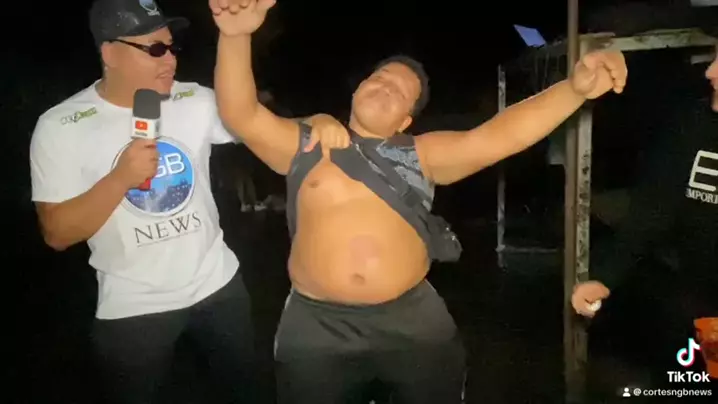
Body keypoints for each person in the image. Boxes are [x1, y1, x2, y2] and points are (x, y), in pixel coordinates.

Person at [210, 0, 627, 403]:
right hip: (316, 325)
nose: (385, 87)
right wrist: (235, 36)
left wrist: (573, 90)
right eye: (379, 79)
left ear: (405, 122)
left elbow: (499, 136)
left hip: (412, 320)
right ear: (357, 89)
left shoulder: (421, 154)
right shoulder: (307, 144)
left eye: (399, 92)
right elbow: (241, 114)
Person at [29, 0, 348, 403]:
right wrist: (120, 179)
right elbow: (57, 232)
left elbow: (259, 127)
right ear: (110, 53)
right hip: (133, 304)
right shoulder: (61, 126)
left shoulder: (193, 99)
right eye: (154, 49)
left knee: (248, 390)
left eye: (172, 47)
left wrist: (314, 122)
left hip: (218, 285)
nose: (170, 61)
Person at [572, 46, 718, 385]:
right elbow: (652, 211)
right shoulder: (691, 127)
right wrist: (604, 277)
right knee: (702, 384)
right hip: (704, 306)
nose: (710, 72)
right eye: (714, 60)